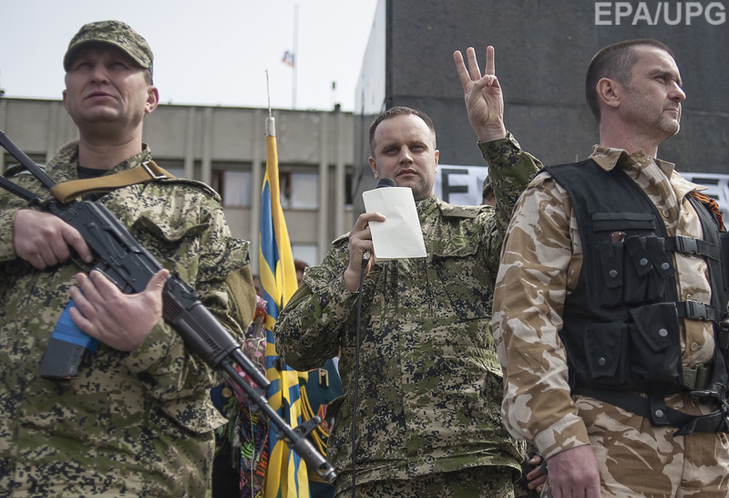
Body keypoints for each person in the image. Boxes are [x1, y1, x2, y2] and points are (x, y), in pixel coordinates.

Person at [0, 21, 256, 496]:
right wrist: (8, 230)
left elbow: (221, 352)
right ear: (66, 95)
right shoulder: (12, 196)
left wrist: (147, 338)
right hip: (14, 464)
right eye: (84, 66)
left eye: (118, 66)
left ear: (151, 97)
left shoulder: (197, 211)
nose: (99, 75)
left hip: (139, 474)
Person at [274, 46, 541, 497]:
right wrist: (348, 283)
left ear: (435, 158)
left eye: (417, 147)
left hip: (474, 453)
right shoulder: (348, 251)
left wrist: (492, 132)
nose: (406, 157)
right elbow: (293, 348)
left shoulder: (477, 230)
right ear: (375, 165)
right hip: (375, 466)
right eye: (391, 149)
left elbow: (536, 223)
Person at [492, 38, 729, 497]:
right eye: (661, 79)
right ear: (611, 92)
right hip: (612, 454)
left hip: (713, 455)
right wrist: (561, 442)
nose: (678, 92)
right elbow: (523, 322)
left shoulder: (703, 209)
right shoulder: (559, 194)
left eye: (679, 82)